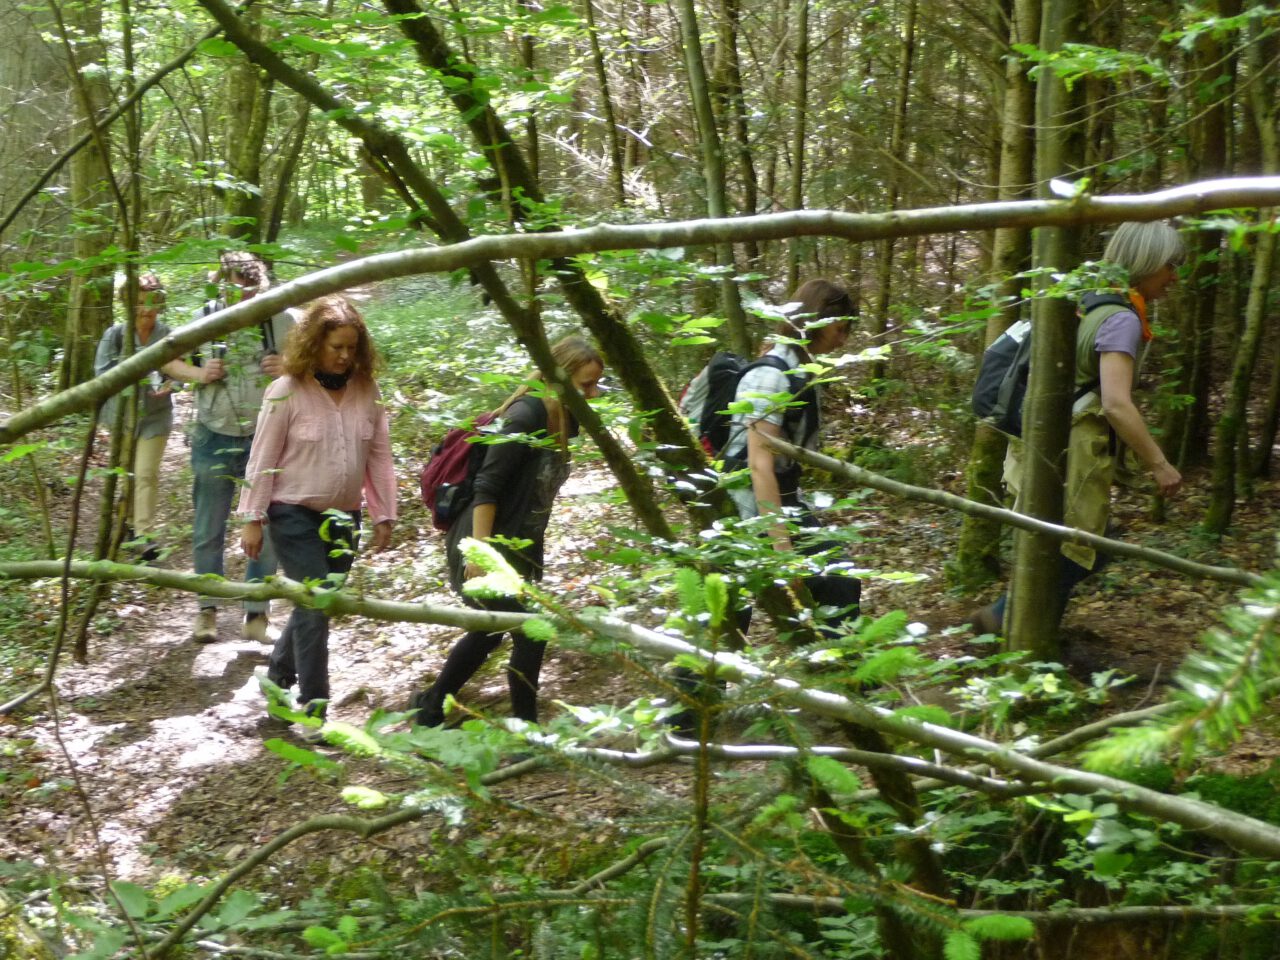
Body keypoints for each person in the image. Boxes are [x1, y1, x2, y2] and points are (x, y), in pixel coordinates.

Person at [972, 220, 1185, 635]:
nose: (1175, 276)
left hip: (1037, 441)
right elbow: (1117, 404)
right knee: (1082, 547)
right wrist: (1159, 464)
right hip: (1074, 447)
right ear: (1146, 261)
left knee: (1058, 540)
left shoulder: (1083, 297)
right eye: (1171, 265)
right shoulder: (1120, 317)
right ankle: (1004, 621)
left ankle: (1031, 632)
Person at [408, 335, 605, 728]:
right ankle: (526, 729)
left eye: (594, 384)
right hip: (481, 541)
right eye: (584, 384)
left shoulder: (564, 416)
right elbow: (487, 488)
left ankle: (431, 705)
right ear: (557, 377)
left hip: (517, 545)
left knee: (488, 631)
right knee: (531, 630)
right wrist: (481, 557)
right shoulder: (524, 416)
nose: (592, 393)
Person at [237, 295, 396, 738]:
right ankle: (314, 707)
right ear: (314, 344)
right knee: (317, 604)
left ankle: (276, 679)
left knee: (314, 608)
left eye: (351, 348)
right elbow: (262, 457)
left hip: (345, 516)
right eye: (335, 348)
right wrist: (253, 517)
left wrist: (384, 512)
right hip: (292, 512)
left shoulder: (367, 390)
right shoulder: (286, 389)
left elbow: (379, 455)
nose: (344, 356)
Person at [722, 278, 862, 628]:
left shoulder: (797, 367)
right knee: (729, 608)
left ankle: (843, 672)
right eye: (841, 328)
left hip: (779, 498)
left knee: (838, 581)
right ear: (819, 321)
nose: (843, 339)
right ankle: (696, 681)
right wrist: (783, 550)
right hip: (746, 504)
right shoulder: (772, 376)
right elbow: (758, 465)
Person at [189, 252, 296, 644]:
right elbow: (169, 362)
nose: (246, 299)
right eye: (239, 290)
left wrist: (289, 368)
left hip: (265, 437)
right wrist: (201, 373)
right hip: (212, 432)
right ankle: (207, 611)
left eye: (254, 291)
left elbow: (319, 368)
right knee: (208, 526)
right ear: (224, 284)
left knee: (264, 525)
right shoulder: (207, 315)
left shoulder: (285, 320)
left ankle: (257, 614)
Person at [94, 273, 225, 560]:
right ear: (127, 304)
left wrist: (172, 384)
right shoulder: (115, 335)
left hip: (156, 416)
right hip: (120, 417)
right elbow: (101, 376)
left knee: (145, 474)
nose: (146, 308)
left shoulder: (168, 334)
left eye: (152, 301)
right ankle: (125, 525)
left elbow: (180, 368)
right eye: (139, 302)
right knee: (126, 474)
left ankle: (144, 536)